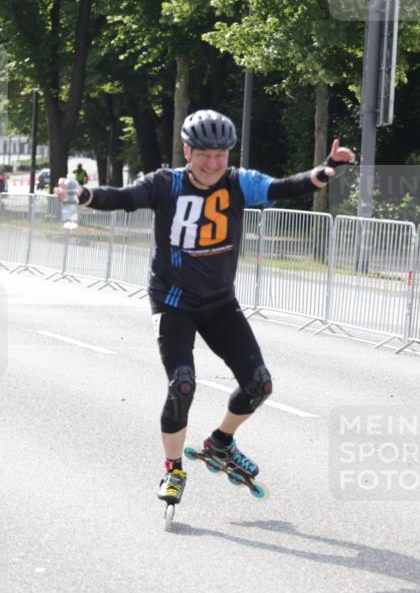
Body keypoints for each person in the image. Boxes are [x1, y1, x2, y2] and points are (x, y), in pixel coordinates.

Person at [55, 110, 355, 506]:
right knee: (182, 384)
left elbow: (286, 187)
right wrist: (85, 194)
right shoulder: (167, 184)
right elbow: (124, 198)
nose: (213, 164)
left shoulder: (239, 183)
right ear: (187, 151)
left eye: (220, 155)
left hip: (219, 303)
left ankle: (220, 442)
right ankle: (173, 469)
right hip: (174, 301)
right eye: (204, 155)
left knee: (260, 384)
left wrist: (327, 169)